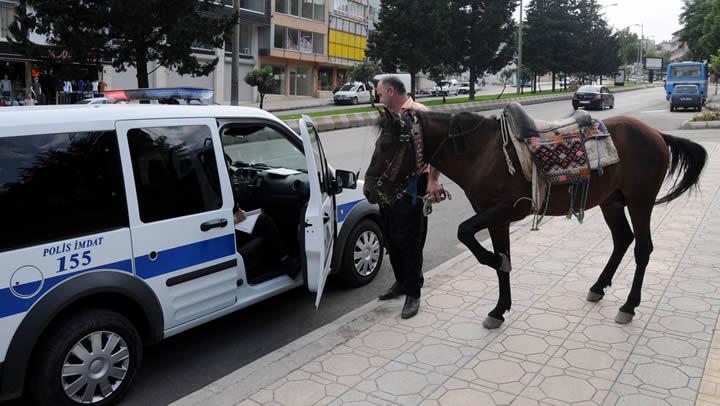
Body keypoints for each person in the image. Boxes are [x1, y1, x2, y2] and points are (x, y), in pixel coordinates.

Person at [374, 76, 443, 319]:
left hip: (414, 185)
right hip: (388, 187)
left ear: (391, 91)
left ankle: (413, 292)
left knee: (411, 240)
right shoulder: (388, 116)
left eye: (380, 93)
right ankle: (401, 282)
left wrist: (433, 180)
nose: (378, 97)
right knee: (391, 238)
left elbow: (437, 152)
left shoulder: (420, 114)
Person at [224, 154, 300, 277]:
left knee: (256, 213)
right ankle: (281, 261)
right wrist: (234, 218)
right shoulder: (208, 185)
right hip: (223, 229)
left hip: (223, 225)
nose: (228, 170)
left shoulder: (203, 180)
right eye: (226, 168)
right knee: (264, 220)